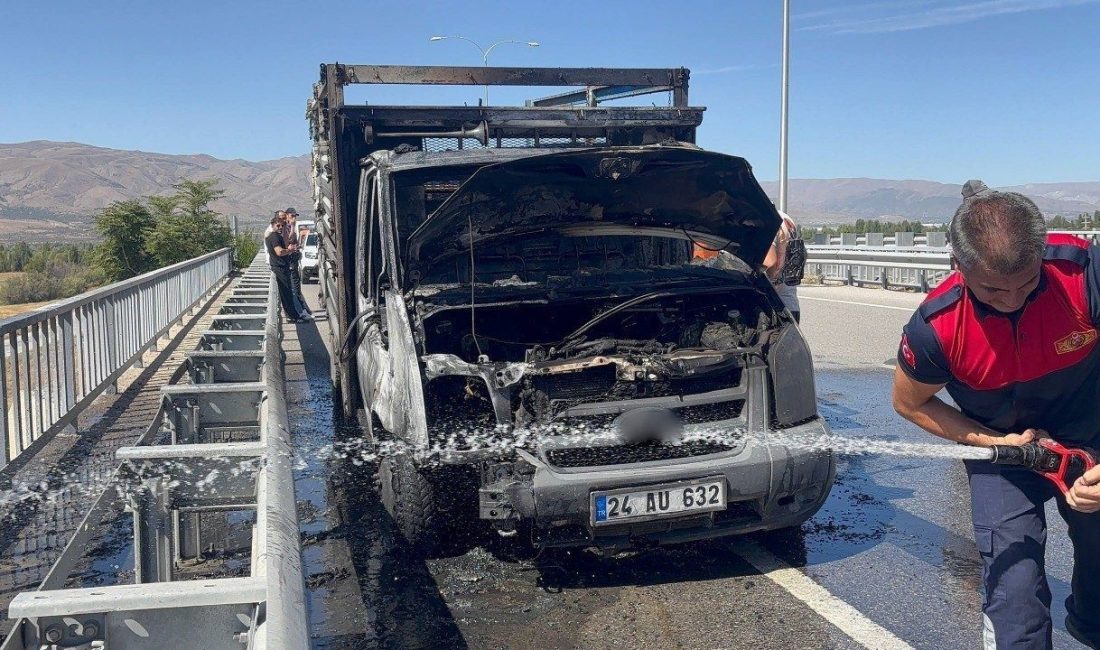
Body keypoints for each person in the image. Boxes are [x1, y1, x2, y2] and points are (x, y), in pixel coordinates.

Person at [892, 180, 1100, 649]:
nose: (1013, 299)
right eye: (992, 290)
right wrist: (989, 443)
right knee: (1016, 595)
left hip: (1093, 435)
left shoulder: (1086, 273)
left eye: (1027, 283)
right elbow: (909, 403)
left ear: (1043, 255)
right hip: (1004, 454)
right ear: (959, 267)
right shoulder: (936, 329)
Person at [265, 213, 310, 323]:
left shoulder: (273, 236)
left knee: (288, 292)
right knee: (287, 293)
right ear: (273, 225)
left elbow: (286, 240)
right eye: (278, 225)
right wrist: (289, 250)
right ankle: (293, 316)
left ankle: (293, 315)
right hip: (279, 267)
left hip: (280, 266)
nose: (280, 228)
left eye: (282, 226)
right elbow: (279, 251)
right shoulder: (274, 237)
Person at [762, 211, 802, 322]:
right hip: (791, 305)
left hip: (775, 309)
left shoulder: (767, 221)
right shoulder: (786, 219)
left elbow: (770, 262)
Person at [283, 207, 311, 316]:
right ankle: (299, 310)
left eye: (295, 216)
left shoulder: (290, 226)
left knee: (296, 282)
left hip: (294, 256)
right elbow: (287, 240)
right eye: (292, 216)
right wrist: (293, 226)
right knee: (294, 284)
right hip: (289, 258)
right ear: (287, 215)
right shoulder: (286, 226)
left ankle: (301, 308)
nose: (294, 218)